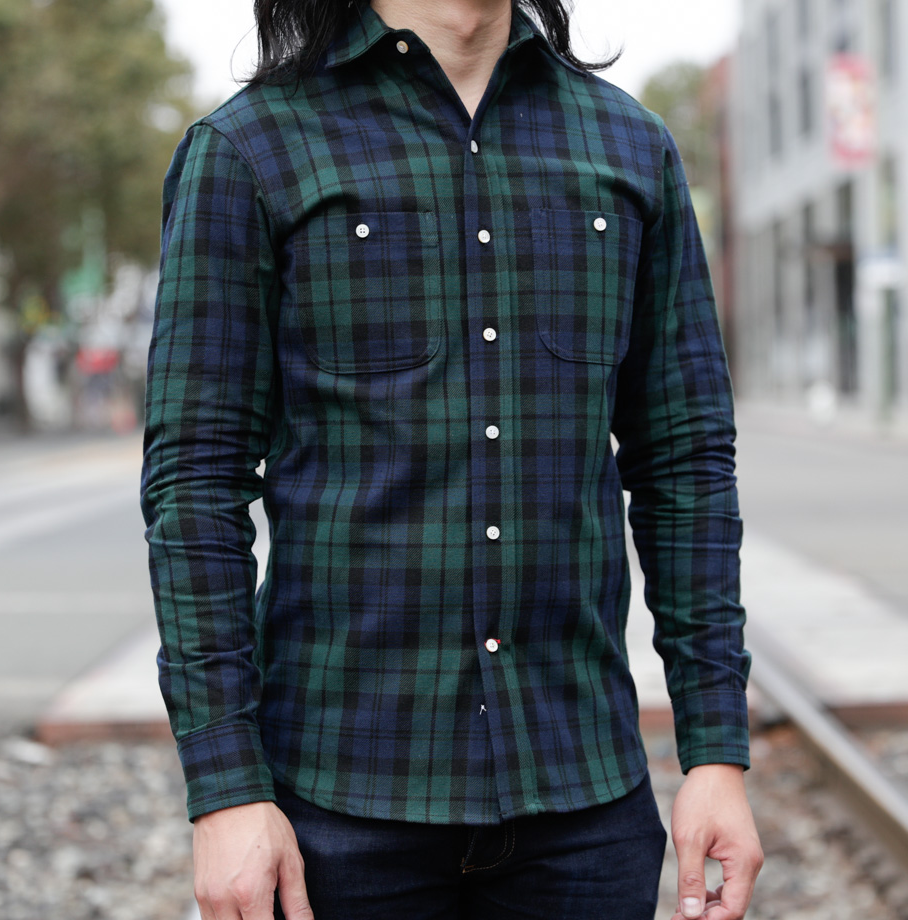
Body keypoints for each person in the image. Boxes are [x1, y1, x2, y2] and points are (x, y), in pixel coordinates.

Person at [141, 0, 763, 917]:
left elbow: (686, 466)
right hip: (336, 812)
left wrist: (714, 752)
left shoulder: (632, 148)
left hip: (584, 803)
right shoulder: (249, 150)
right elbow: (194, 483)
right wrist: (226, 787)